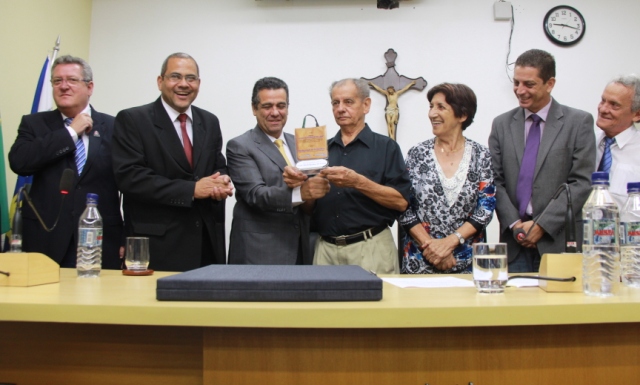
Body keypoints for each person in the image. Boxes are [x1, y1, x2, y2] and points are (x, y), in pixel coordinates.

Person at [112, 53, 233, 272]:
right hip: (158, 246)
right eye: (175, 77)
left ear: (198, 83)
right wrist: (192, 190)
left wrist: (221, 180)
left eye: (191, 78)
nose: (184, 84)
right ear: (160, 82)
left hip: (207, 244)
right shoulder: (133, 120)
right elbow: (130, 178)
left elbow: (217, 165)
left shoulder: (210, 121)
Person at [284, 78, 411, 274]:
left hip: (370, 247)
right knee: (323, 304)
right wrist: (305, 191)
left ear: (366, 105)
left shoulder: (386, 147)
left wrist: (358, 182)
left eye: (348, 102)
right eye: (336, 103)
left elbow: (401, 202)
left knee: (376, 305)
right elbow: (309, 210)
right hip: (325, 248)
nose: (340, 108)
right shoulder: (320, 150)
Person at [8, 55, 123, 268]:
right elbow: (19, 162)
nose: (63, 86)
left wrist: (128, 235)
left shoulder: (115, 126)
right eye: (57, 81)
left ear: (89, 87)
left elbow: (128, 183)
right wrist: (70, 132)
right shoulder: (34, 123)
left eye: (71, 80)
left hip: (101, 240)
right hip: (45, 237)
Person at [489, 49, 595, 272]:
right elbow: (495, 182)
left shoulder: (578, 122)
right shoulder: (501, 124)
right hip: (514, 242)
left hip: (558, 242)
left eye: (529, 84)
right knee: (514, 307)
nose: (520, 90)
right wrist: (515, 224)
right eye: (516, 83)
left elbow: (581, 183)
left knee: (561, 306)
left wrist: (542, 225)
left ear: (550, 83)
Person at [226, 77, 329, 265]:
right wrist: (302, 192)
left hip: (300, 248)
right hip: (259, 252)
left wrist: (317, 186)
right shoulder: (240, 146)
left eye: (281, 105)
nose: (275, 112)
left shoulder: (300, 144)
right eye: (267, 106)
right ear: (254, 109)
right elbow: (255, 195)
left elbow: (309, 198)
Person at [399, 83, 495, 274]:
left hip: (468, 262)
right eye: (431, 107)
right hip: (420, 261)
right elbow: (403, 206)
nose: (432, 113)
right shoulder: (417, 154)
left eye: (441, 107)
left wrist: (450, 243)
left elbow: (486, 208)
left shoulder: (481, 155)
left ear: (462, 115)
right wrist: (432, 248)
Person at [595, 74, 640, 209]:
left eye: (614, 105)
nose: (603, 109)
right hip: (584, 228)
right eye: (603, 101)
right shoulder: (586, 142)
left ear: (637, 114)